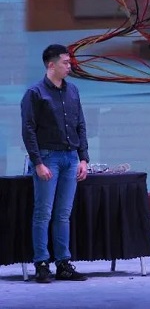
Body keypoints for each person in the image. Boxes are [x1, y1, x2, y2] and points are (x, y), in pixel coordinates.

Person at [21, 44, 90, 283]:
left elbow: (80, 125)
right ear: (51, 65)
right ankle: (41, 263)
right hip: (48, 158)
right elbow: (28, 130)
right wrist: (38, 162)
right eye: (65, 63)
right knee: (43, 213)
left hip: (71, 158)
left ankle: (63, 263)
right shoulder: (35, 93)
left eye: (69, 62)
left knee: (63, 214)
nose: (69, 66)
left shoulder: (73, 91)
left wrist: (83, 158)